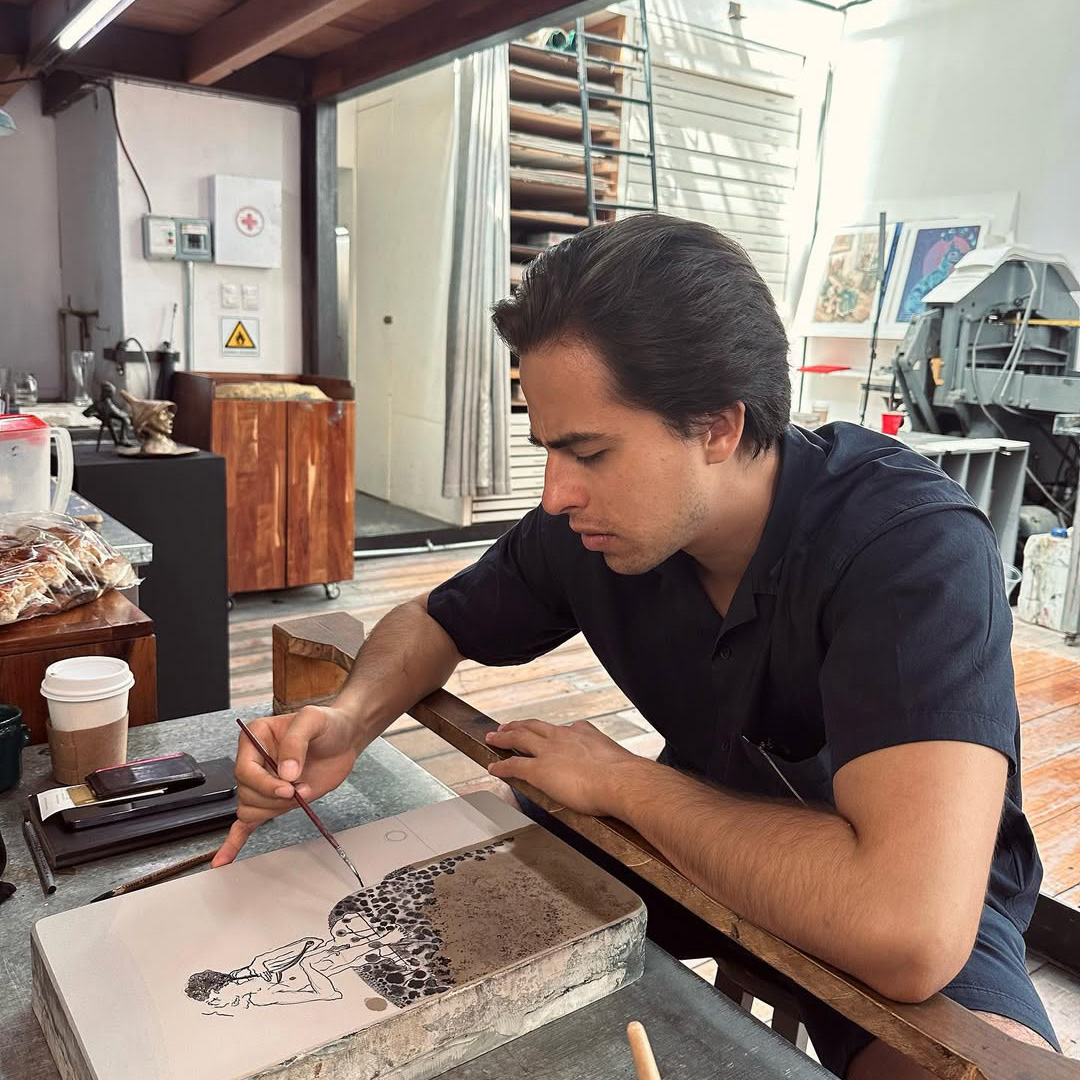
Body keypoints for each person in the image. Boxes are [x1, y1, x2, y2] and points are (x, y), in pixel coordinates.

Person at [212, 214, 1058, 1078]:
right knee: (417, 920)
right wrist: (349, 718)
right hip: (682, 833)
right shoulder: (593, 529)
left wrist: (625, 783)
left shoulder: (908, 548)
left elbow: (908, 928)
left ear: (717, 427)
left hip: (888, 880)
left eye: (587, 451)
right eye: (548, 449)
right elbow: (436, 618)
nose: (554, 494)